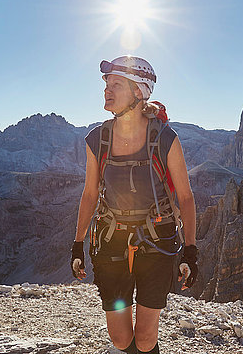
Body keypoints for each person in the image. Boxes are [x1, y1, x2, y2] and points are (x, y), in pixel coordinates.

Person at [71, 55, 199, 354]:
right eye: (106, 84)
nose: (107, 90)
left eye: (116, 84)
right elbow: (90, 194)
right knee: (119, 338)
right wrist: (77, 244)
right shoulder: (96, 139)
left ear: (139, 91)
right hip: (111, 240)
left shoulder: (165, 138)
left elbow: (186, 197)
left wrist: (191, 251)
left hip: (157, 241)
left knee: (144, 338)